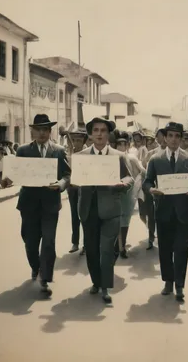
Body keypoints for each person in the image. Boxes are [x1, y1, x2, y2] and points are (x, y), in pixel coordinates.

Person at [5, 114, 71, 296]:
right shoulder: (23, 151)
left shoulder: (58, 151)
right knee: (30, 242)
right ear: (32, 131)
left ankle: (45, 278)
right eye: (38, 129)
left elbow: (67, 175)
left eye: (45, 129)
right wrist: (7, 180)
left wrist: (60, 184)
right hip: (29, 204)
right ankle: (35, 266)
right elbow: (15, 174)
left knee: (49, 242)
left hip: (50, 204)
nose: (42, 133)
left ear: (50, 132)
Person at [75, 117, 133, 303]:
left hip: (111, 209)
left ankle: (106, 287)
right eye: (96, 130)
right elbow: (74, 179)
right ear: (91, 134)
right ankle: (96, 282)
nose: (99, 134)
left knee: (107, 250)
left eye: (103, 131)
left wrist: (122, 184)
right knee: (92, 250)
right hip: (88, 209)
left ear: (108, 135)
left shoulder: (118, 156)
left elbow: (129, 178)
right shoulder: (81, 156)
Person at [143, 122, 188, 301]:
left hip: (184, 211)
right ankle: (168, 281)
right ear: (165, 138)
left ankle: (179, 284)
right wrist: (152, 190)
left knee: (181, 249)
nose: (174, 140)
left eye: (178, 136)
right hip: (163, 211)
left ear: (181, 138)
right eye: (170, 136)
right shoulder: (155, 159)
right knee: (165, 249)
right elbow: (147, 182)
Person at [115, 131, 146, 259]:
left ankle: (122, 246)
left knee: (125, 219)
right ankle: (119, 246)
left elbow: (144, 171)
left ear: (128, 145)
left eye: (124, 144)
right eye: (119, 144)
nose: (121, 146)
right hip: (115, 191)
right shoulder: (112, 156)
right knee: (116, 218)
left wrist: (137, 184)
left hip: (128, 192)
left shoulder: (131, 158)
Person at [67, 129, 88, 255]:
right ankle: (75, 242)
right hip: (72, 189)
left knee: (84, 216)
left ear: (83, 141)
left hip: (84, 188)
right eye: (74, 140)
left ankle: (86, 244)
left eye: (79, 140)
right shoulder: (69, 154)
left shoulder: (87, 154)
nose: (76, 143)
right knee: (74, 215)